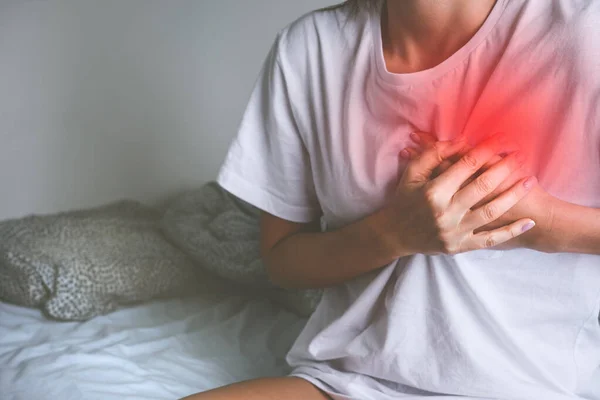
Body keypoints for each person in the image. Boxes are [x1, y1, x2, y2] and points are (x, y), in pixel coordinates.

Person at [183, 0, 600, 399]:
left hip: (534, 387)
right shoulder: (311, 49)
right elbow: (282, 261)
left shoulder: (584, 32)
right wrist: (394, 233)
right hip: (344, 382)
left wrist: (543, 223)